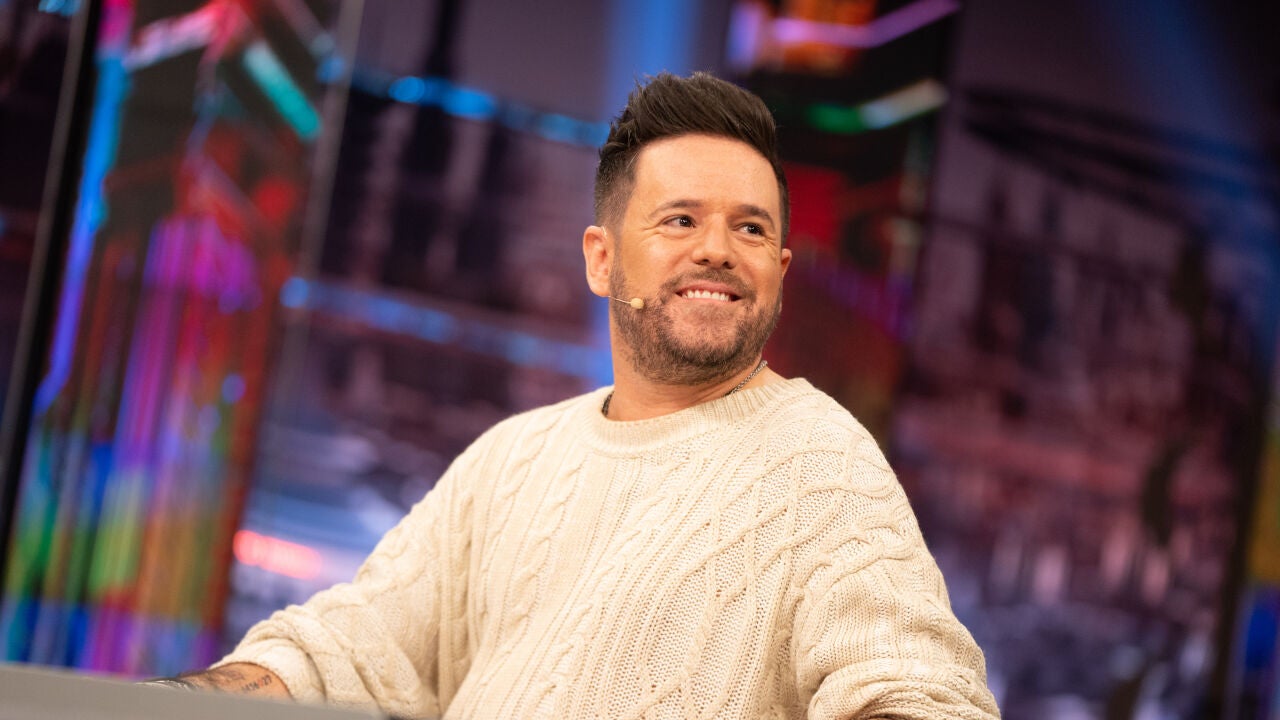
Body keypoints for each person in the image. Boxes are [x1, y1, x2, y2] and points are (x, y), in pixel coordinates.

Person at [160, 72, 1001, 719]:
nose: (718, 249)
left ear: (779, 272)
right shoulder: (512, 457)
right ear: (601, 258)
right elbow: (351, 646)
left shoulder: (824, 465)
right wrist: (164, 705)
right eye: (680, 220)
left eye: (750, 227)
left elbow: (921, 695)